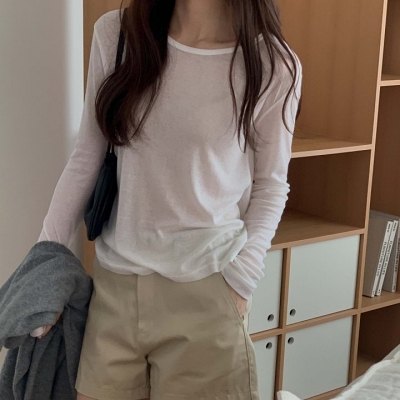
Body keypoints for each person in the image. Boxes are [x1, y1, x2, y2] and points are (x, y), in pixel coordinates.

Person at [37, 0, 302, 398]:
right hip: (115, 292)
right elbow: (86, 158)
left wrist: (241, 281)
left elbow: (271, 185)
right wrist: (43, 266)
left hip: (207, 291)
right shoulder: (118, 35)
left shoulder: (273, 64)